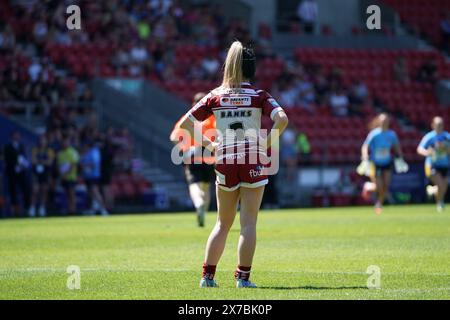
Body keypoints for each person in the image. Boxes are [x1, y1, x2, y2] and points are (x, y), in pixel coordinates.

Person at [177, 41, 288, 288]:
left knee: (221, 223)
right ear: (252, 69)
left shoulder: (215, 96)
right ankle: (243, 279)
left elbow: (186, 124)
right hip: (253, 160)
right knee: (248, 223)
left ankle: (207, 277)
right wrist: (268, 142)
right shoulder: (259, 96)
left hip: (225, 161)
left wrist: (211, 145)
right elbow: (282, 118)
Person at [170, 92, 216, 227]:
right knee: (207, 186)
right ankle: (204, 210)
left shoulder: (187, 119)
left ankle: (198, 203)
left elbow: (173, 137)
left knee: (194, 185)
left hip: (192, 155)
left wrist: (183, 148)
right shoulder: (211, 118)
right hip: (209, 155)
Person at [358, 114, 408, 215]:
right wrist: (364, 156)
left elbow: (396, 146)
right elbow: (365, 146)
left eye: (386, 121)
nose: (384, 122)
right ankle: (369, 187)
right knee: (379, 186)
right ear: (379, 122)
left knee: (386, 185)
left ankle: (379, 203)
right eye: (382, 121)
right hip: (375, 163)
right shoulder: (374, 134)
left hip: (387, 162)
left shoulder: (392, 134)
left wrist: (401, 158)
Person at [417, 117, 450, 212]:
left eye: (441, 124)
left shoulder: (447, 137)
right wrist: (428, 152)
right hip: (431, 165)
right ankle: (440, 203)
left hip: (445, 165)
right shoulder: (429, 137)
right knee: (441, 184)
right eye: (437, 124)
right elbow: (420, 149)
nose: (439, 126)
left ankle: (433, 191)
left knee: (443, 186)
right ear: (433, 125)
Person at [3, 131, 31, 217]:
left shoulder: (22, 146)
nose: (17, 136)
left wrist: (22, 166)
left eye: (18, 135)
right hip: (12, 173)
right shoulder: (7, 147)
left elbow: (25, 158)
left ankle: (27, 209)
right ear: (12, 136)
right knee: (13, 192)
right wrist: (15, 166)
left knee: (25, 190)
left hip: (22, 173)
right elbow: (7, 160)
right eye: (15, 135)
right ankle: (14, 211)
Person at [80, 141, 109, 216]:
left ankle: (103, 209)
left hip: (93, 176)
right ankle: (92, 210)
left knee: (95, 192)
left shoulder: (94, 152)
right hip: (88, 176)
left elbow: (94, 164)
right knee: (90, 194)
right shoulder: (87, 153)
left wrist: (84, 165)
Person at [29, 134, 55, 217]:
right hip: (36, 173)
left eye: (43, 140)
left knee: (44, 190)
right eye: (40, 140)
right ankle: (32, 208)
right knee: (35, 190)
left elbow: (50, 162)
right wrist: (43, 161)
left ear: (46, 141)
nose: (42, 142)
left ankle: (42, 208)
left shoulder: (50, 150)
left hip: (45, 173)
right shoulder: (35, 149)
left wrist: (40, 161)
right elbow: (33, 161)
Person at [57, 136, 79, 215]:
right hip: (63, 178)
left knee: (71, 194)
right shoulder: (60, 153)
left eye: (66, 142)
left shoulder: (73, 152)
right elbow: (59, 166)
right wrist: (61, 175)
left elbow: (74, 164)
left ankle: (73, 211)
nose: (65, 143)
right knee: (66, 194)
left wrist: (66, 173)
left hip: (71, 177)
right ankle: (69, 210)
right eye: (63, 142)